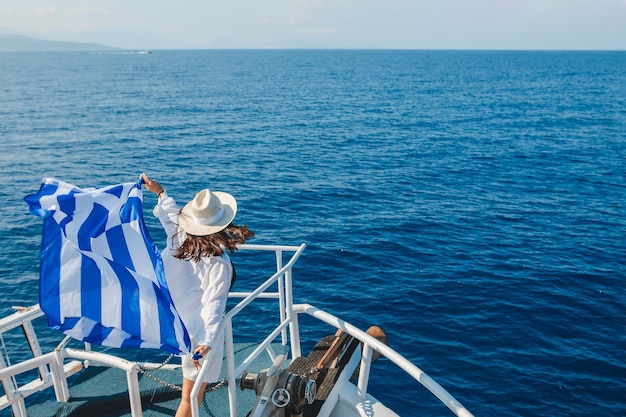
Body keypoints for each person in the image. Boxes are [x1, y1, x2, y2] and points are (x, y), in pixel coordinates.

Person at [141, 173, 253, 417]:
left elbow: (170, 216)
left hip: (177, 320)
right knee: (191, 399)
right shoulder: (218, 262)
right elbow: (213, 302)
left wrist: (160, 193)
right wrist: (207, 341)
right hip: (198, 332)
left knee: (188, 396)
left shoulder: (179, 237)